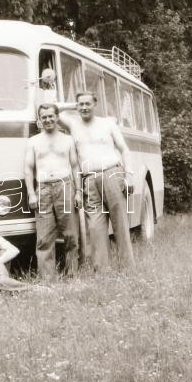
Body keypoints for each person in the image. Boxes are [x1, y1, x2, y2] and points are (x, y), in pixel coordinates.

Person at [59, 91, 135, 271]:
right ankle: (102, 271)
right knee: (95, 228)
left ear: (95, 105)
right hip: (89, 180)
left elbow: (124, 149)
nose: (84, 107)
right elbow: (53, 108)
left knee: (120, 223)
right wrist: (73, 105)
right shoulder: (73, 124)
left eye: (88, 104)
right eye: (81, 104)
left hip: (112, 174)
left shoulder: (107, 124)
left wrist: (129, 176)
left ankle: (127, 268)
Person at [25, 103, 81, 280]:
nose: (48, 119)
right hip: (43, 189)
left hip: (65, 186)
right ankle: (47, 279)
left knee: (71, 235)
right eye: (44, 117)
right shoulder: (33, 141)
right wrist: (31, 193)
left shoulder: (68, 139)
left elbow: (75, 166)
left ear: (57, 117)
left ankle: (72, 275)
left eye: (51, 116)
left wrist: (78, 191)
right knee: (44, 237)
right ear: (39, 120)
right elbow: (28, 168)